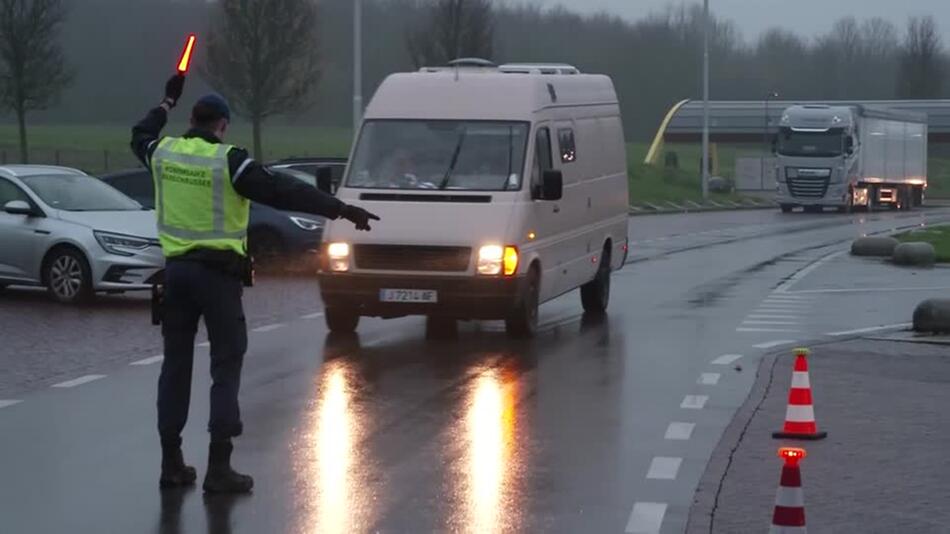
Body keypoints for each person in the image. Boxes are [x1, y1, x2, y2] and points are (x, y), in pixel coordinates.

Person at [131, 74, 379, 494]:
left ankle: (171, 463)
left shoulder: (164, 152)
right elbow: (283, 191)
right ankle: (218, 467)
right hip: (217, 279)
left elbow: (140, 134)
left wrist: (165, 102)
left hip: (175, 277)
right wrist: (340, 209)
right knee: (225, 366)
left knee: (175, 368)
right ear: (222, 125)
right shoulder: (229, 161)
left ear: (192, 118)